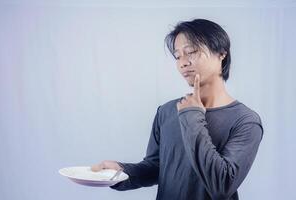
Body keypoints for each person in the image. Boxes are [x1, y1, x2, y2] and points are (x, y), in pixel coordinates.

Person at [91, 19, 263, 200]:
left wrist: (192, 116)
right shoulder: (166, 111)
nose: (183, 63)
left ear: (221, 53)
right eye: (177, 56)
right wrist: (121, 172)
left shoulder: (245, 121)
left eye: (191, 52)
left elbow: (221, 185)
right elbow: (156, 168)